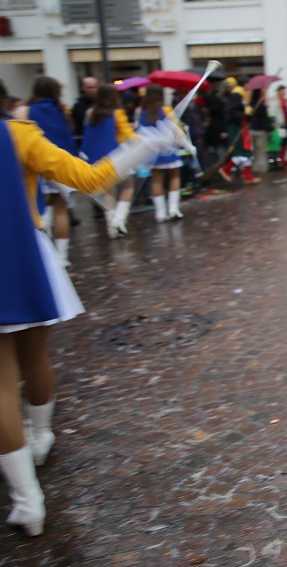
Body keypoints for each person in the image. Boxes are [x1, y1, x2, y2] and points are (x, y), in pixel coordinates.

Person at [0, 108, 174, 538]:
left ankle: (28, 501)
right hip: (23, 259)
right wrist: (146, 144)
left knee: (1, 386)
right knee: (35, 357)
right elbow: (92, 179)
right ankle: (40, 439)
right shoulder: (18, 136)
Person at [17, 78, 77, 267]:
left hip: (36, 167)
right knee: (61, 210)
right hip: (59, 165)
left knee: (39, 207)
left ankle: (44, 252)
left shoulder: (26, 111)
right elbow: (68, 138)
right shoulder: (61, 110)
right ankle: (62, 256)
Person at [81, 85, 137, 237]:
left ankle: (112, 229)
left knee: (108, 194)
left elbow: (88, 137)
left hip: (98, 158)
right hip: (118, 155)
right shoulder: (117, 112)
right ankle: (119, 219)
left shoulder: (90, 112)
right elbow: (128, 135)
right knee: (128, 186)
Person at [136, 85, 186, 221]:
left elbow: (138, 129)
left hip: (152, 150)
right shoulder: (166, 110)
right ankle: (173, 209)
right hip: (168, 148)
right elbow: (176, 128)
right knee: (174, 176)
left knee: (156, 179)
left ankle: (160, 213)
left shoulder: (141, 111)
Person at [221, 76, 259, 184]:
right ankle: (226, 169)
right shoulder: (236, 95)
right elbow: (231, 111)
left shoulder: (243, 97)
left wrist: (249, 115)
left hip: (242, 127)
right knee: (240, 152)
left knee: (246, 152)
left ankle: (247, 176)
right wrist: (244, 115)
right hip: (237, 128)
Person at [70, 76, 99, 147]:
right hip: (85, 142)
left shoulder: (103, 103)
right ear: (83, 88)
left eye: (93, 87)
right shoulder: (78, 106)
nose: (91, 90)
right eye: (89, 87)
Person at [269, 84, 287, 169]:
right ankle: (278, 161)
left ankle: (282, 158)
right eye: (282, 90)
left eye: (284, 91)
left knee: (286, 141)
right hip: (279, 123)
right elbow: (273, 111)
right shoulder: (275, 100)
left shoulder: (285, 100)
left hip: (286, 122)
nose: (284, 92)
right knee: (280, 142)